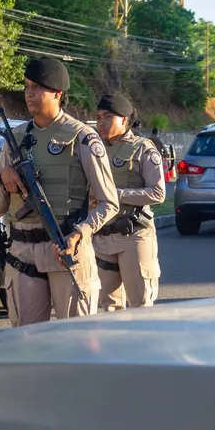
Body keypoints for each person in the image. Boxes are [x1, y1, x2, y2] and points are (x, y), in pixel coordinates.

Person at [0, 56, 119, 326]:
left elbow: (109, 203)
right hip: (22, 253)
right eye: (26, 87)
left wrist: (79, 234)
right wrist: (4, 178)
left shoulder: (82, 137)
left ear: (58, 93)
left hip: (65, 251)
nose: (29, 93)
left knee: (74, 346)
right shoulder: (14, 139)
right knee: (26, 347)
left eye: (37, 87)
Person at [92, 93, 166, 312]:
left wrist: (115, 194)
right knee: (107, 308)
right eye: (98, 117)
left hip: (134, 236)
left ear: (124, 119)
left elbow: (158, 193)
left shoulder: (143, 148)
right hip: (102, 236)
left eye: (107, 116)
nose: (101, 122)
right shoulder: (93, 149)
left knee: (140, 306)